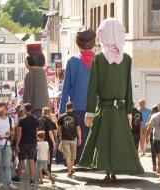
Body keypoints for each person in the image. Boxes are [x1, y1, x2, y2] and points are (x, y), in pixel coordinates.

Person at [80, 18, 144, 181]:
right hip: (119, 110)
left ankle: (109, 171)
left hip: (107, 109)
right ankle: (112, 171)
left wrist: (89, 111)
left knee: (106, 141)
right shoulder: (125, 59)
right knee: (117, 140)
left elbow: (92, 87)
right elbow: (128, 87)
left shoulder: (100, 59)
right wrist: (129, 111)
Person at [60, 28, 96, 164]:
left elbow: (66, 88)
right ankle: (91, 159)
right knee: (92, 135)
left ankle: (79, 159)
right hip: (95, 106)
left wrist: (62, 111)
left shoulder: (72, 61)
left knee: (78, 135)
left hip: (77, 107)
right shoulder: (98, 60)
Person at [0, 103, 17, 189]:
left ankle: (9, 183)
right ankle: (2, 182)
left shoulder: (10, 119)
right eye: (0, 109)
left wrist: (10, 134)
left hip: (7, 144)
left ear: (6, 110)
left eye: (3, 109)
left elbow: (13, 132)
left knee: (7, 164)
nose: (1, 110)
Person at [12, 103, 39, 186]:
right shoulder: (35, 119)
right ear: (31, 109)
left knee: (22, 160)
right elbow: (36, 132)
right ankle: (32, 179)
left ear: (25, 109)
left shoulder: (21, 120)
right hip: (33, 142)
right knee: (31, 160)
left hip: (23, 142)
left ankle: (18, 177)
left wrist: (17, 144)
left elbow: (19, 133)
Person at [23, 44, 50, 118]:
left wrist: (25, 106)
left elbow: (26, 94)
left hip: (32, 108)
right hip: (44, 106)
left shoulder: (29, 75)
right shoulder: (42, 73)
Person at [58, 102, 81, 178]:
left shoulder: (61, 117)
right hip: (73, 139)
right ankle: (71, 169)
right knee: (72, 156)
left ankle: (69, 172)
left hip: (65, 139)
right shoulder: (76, 116)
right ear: (73, 108)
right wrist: (79, 138)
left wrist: (60, 138)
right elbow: (78, 129)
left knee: (67, 156)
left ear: (66, 108)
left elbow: (59, 129)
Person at [38, 107, 56, 173]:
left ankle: (42, 171)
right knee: (48, 156)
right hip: (48, 141)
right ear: (49, 113)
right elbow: (50, 132)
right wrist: (54, 142)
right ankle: (47, 170)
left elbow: (36, 130)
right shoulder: (49, 121)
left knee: (41, 156)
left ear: (42, 112)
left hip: (40, 141)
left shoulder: (39, 120)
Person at [146, 105, 159, 172]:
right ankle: (159, 166)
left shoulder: (151, 116)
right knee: (159, 151)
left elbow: (147, 125)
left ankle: (154, 166)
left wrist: (147, 137)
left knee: (153, 151)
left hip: (152, 135)